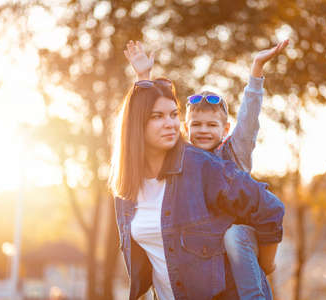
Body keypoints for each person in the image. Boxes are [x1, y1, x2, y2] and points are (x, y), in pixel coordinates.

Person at [123, 40, 288, 299]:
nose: (203, 131)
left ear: (224, 130)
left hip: (243, 240)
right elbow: (148, 121)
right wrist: (144, 78)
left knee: (233, 237)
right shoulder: (180, 167)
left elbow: (249, 119)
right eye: (196, 125)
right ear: (186, 129)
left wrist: (256, 71)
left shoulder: (231, 155)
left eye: (212, 125)